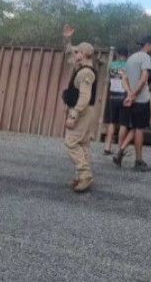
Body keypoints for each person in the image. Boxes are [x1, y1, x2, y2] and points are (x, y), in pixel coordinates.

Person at [61, 26, 98, 193]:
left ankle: (85, 175)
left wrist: (74, 115)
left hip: (81, 111)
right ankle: (80, 176)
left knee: (71, 142)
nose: (74, 54)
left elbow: (84, 97)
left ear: (84, 54)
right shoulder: (80, 68)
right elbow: (68, 53)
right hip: (83, 110)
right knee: (83, 144)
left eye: (78, 52)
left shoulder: (86, 73)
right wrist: (68, 39)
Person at [113, 35, 151, 172]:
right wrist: (135, 94)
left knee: (135, 126)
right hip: (141, 99)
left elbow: (123, 79)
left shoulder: (131, 58)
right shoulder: (146, 58)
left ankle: (120, 151)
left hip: (130, 99)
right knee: (139, 129)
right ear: (148, 45)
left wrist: (129, 93)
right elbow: (144, 79)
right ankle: (138, 161)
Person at [102, 46, 132, 155]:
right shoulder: (129, 66)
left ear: (118, 54)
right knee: (123, 123)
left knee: (112, 122)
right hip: (124, 96)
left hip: (112, 96)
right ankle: (119, 148)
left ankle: (107, 146)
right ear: (127, 55)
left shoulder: (112, 65)